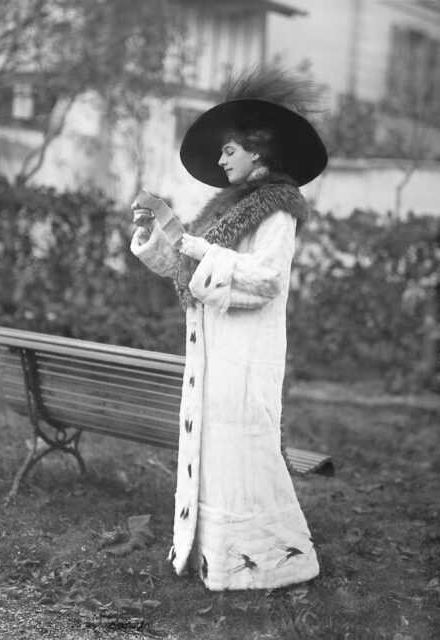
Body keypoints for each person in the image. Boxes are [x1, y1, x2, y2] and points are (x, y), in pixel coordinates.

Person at [130, 67, 328, 591]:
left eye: (230, 151)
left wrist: (201, 252)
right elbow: (188, 269)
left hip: (247, 353)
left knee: (247, 452)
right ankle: (212, 557)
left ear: (259, 152)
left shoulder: (277, 213)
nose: (220, 160)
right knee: (216, 454)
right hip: (213, 351)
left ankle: (270, 561)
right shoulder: (228, 209)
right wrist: (159, 237)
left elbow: (265, 280)